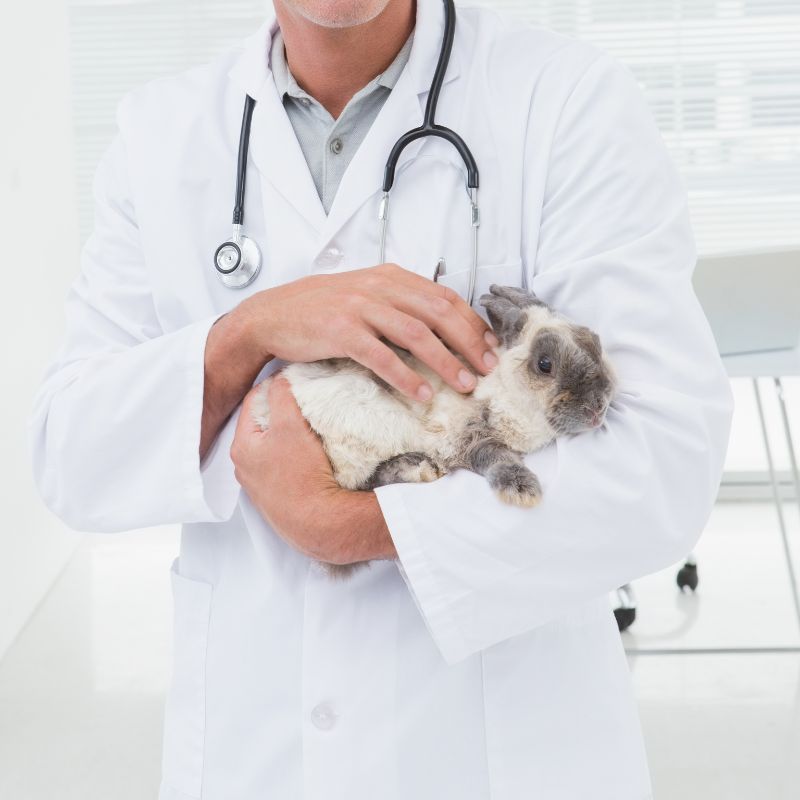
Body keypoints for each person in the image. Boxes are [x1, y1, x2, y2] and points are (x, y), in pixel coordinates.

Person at [29, 0, 733, 797]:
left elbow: (665, 460)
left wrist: (347, 524)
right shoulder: (160, 133)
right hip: (256, 751)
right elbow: (72, 453)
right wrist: (247, 333)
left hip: (504, 755)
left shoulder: (565, 102)